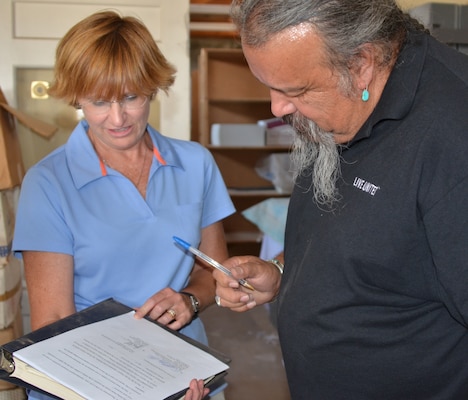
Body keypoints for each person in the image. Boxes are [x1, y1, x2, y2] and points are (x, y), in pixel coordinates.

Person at [212, 0, 468, 399]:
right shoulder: (342, 103)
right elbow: (374, 240)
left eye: (292, 89)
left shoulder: (455, 140)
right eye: (269, 85)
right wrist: (283, 271)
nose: (277, 108)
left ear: (361, 63)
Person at [12, 10, 235, 400]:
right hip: (86, 377)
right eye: (99, 101)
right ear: (76, 97)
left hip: (184, 371)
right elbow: (53, 323)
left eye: (131, 97)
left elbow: (211, 273)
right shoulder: (48, 183)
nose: (117, 118)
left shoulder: (195, 163)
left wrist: (190, 301)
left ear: (152, 87)